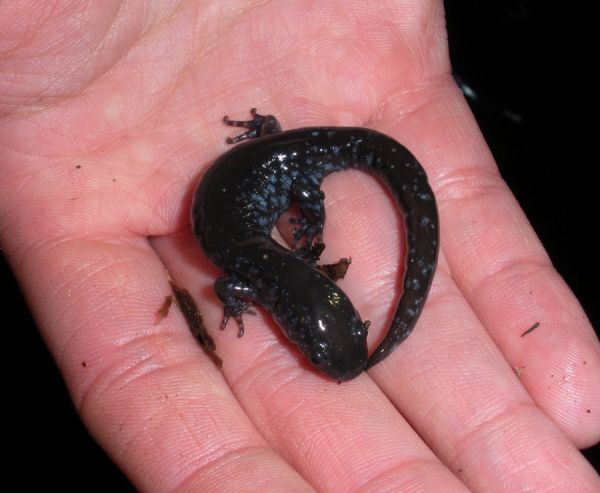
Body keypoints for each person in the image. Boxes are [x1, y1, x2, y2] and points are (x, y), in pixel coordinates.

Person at [1, 1, 598, 491]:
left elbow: (229, 283)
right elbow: (228, 284)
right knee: (299, 190)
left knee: (300, 187)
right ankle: (274, 142)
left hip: (282, 158)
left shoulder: (260, 272)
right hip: (279, 158)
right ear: (294, 319)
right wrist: (264, 270)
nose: (326, 357)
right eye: (316, 354)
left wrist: (247, 290)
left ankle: (274, 142)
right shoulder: (264, 274)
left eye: (329, 347)